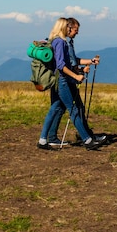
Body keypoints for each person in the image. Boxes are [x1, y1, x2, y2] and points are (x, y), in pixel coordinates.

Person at [38, 18, 105, 151]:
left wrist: (87, 63)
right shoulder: (61, 43)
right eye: (70, 28)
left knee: (55, 108)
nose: (71, 31)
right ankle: (87, 140)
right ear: (65, 27)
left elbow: (67, 63)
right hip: (62, 80)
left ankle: (43, 140)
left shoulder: (55, 41)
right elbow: (62, 65)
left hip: (58, 79)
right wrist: (76, 75)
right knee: (74, 109)